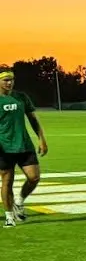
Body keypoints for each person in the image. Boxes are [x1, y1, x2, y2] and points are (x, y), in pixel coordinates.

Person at [0, 70, 47, 226]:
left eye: (12, 80)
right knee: (7, 181)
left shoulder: (21, 97)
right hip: (4, 147)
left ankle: (19, 201)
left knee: (34, 177)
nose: (9, 83)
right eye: (6, 80)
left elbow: (33, 119)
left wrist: (41, 139)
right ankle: (9, 217)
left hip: (24, 144)